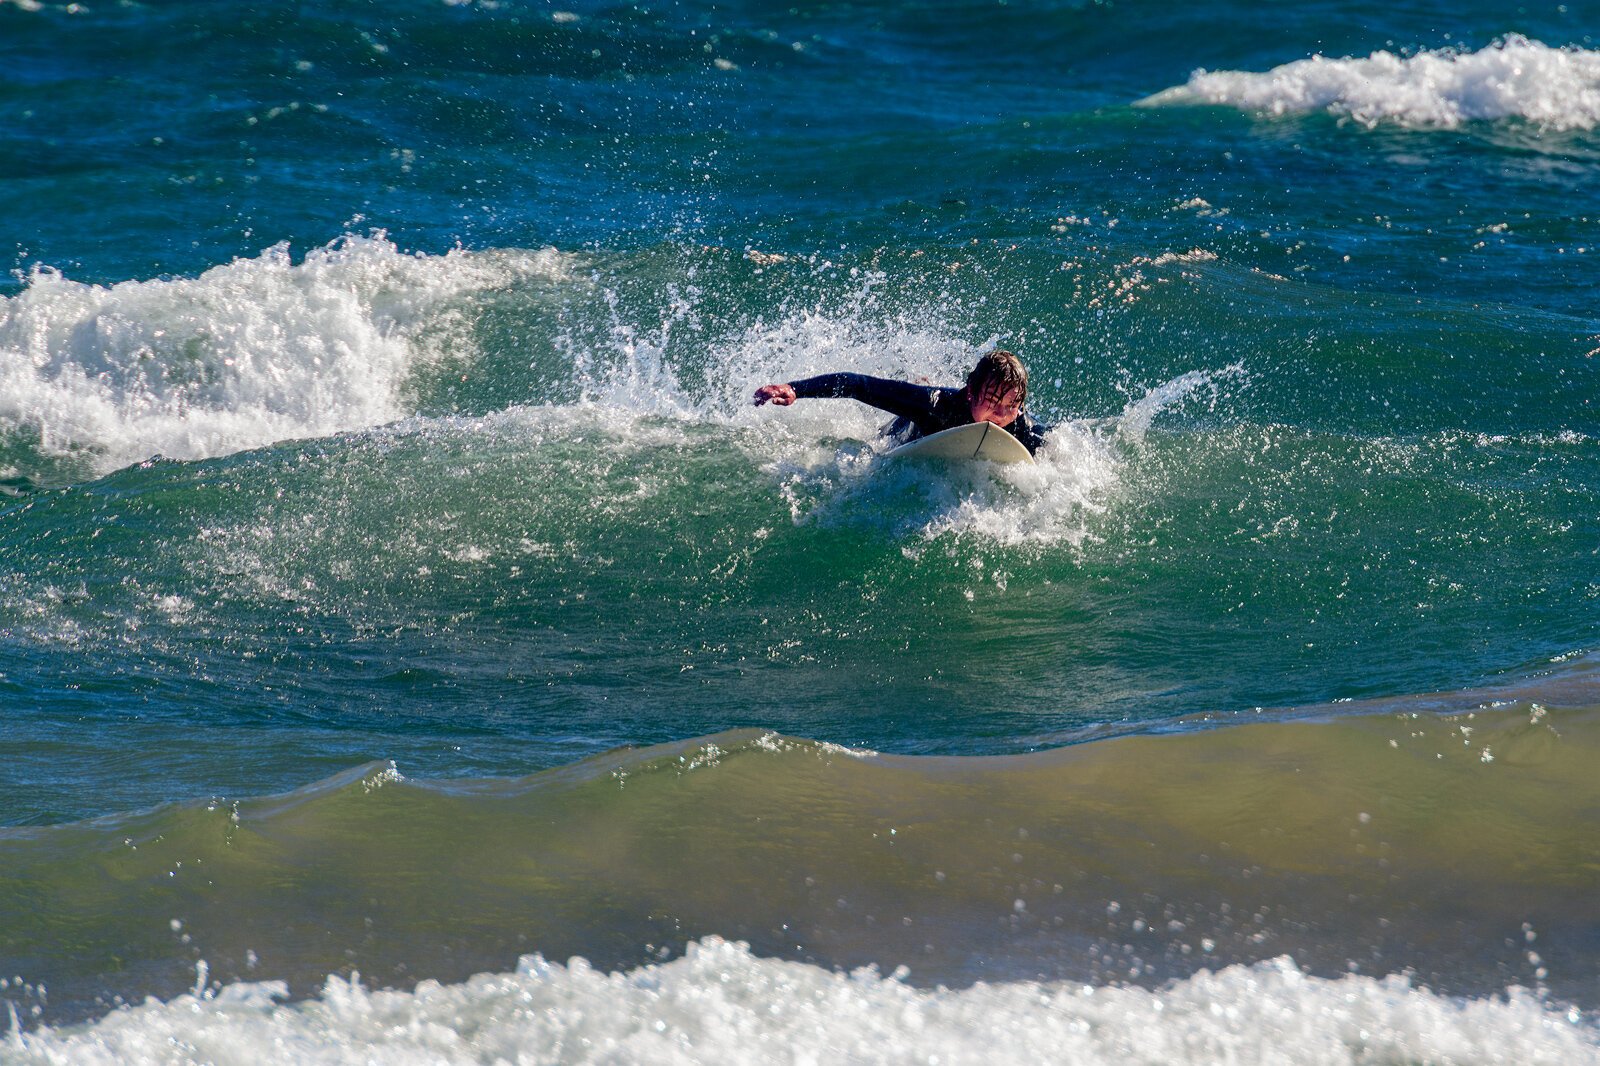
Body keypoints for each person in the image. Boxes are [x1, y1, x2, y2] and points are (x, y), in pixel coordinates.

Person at [751, 349, 1051, 455]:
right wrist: (795, 389)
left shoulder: (1017, 421)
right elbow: (859, 385)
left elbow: (1054, 443)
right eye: (993, 400)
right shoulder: (933, 405)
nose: (1000, 415)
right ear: (971, 390)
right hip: (903, 436)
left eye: (1011, 405)